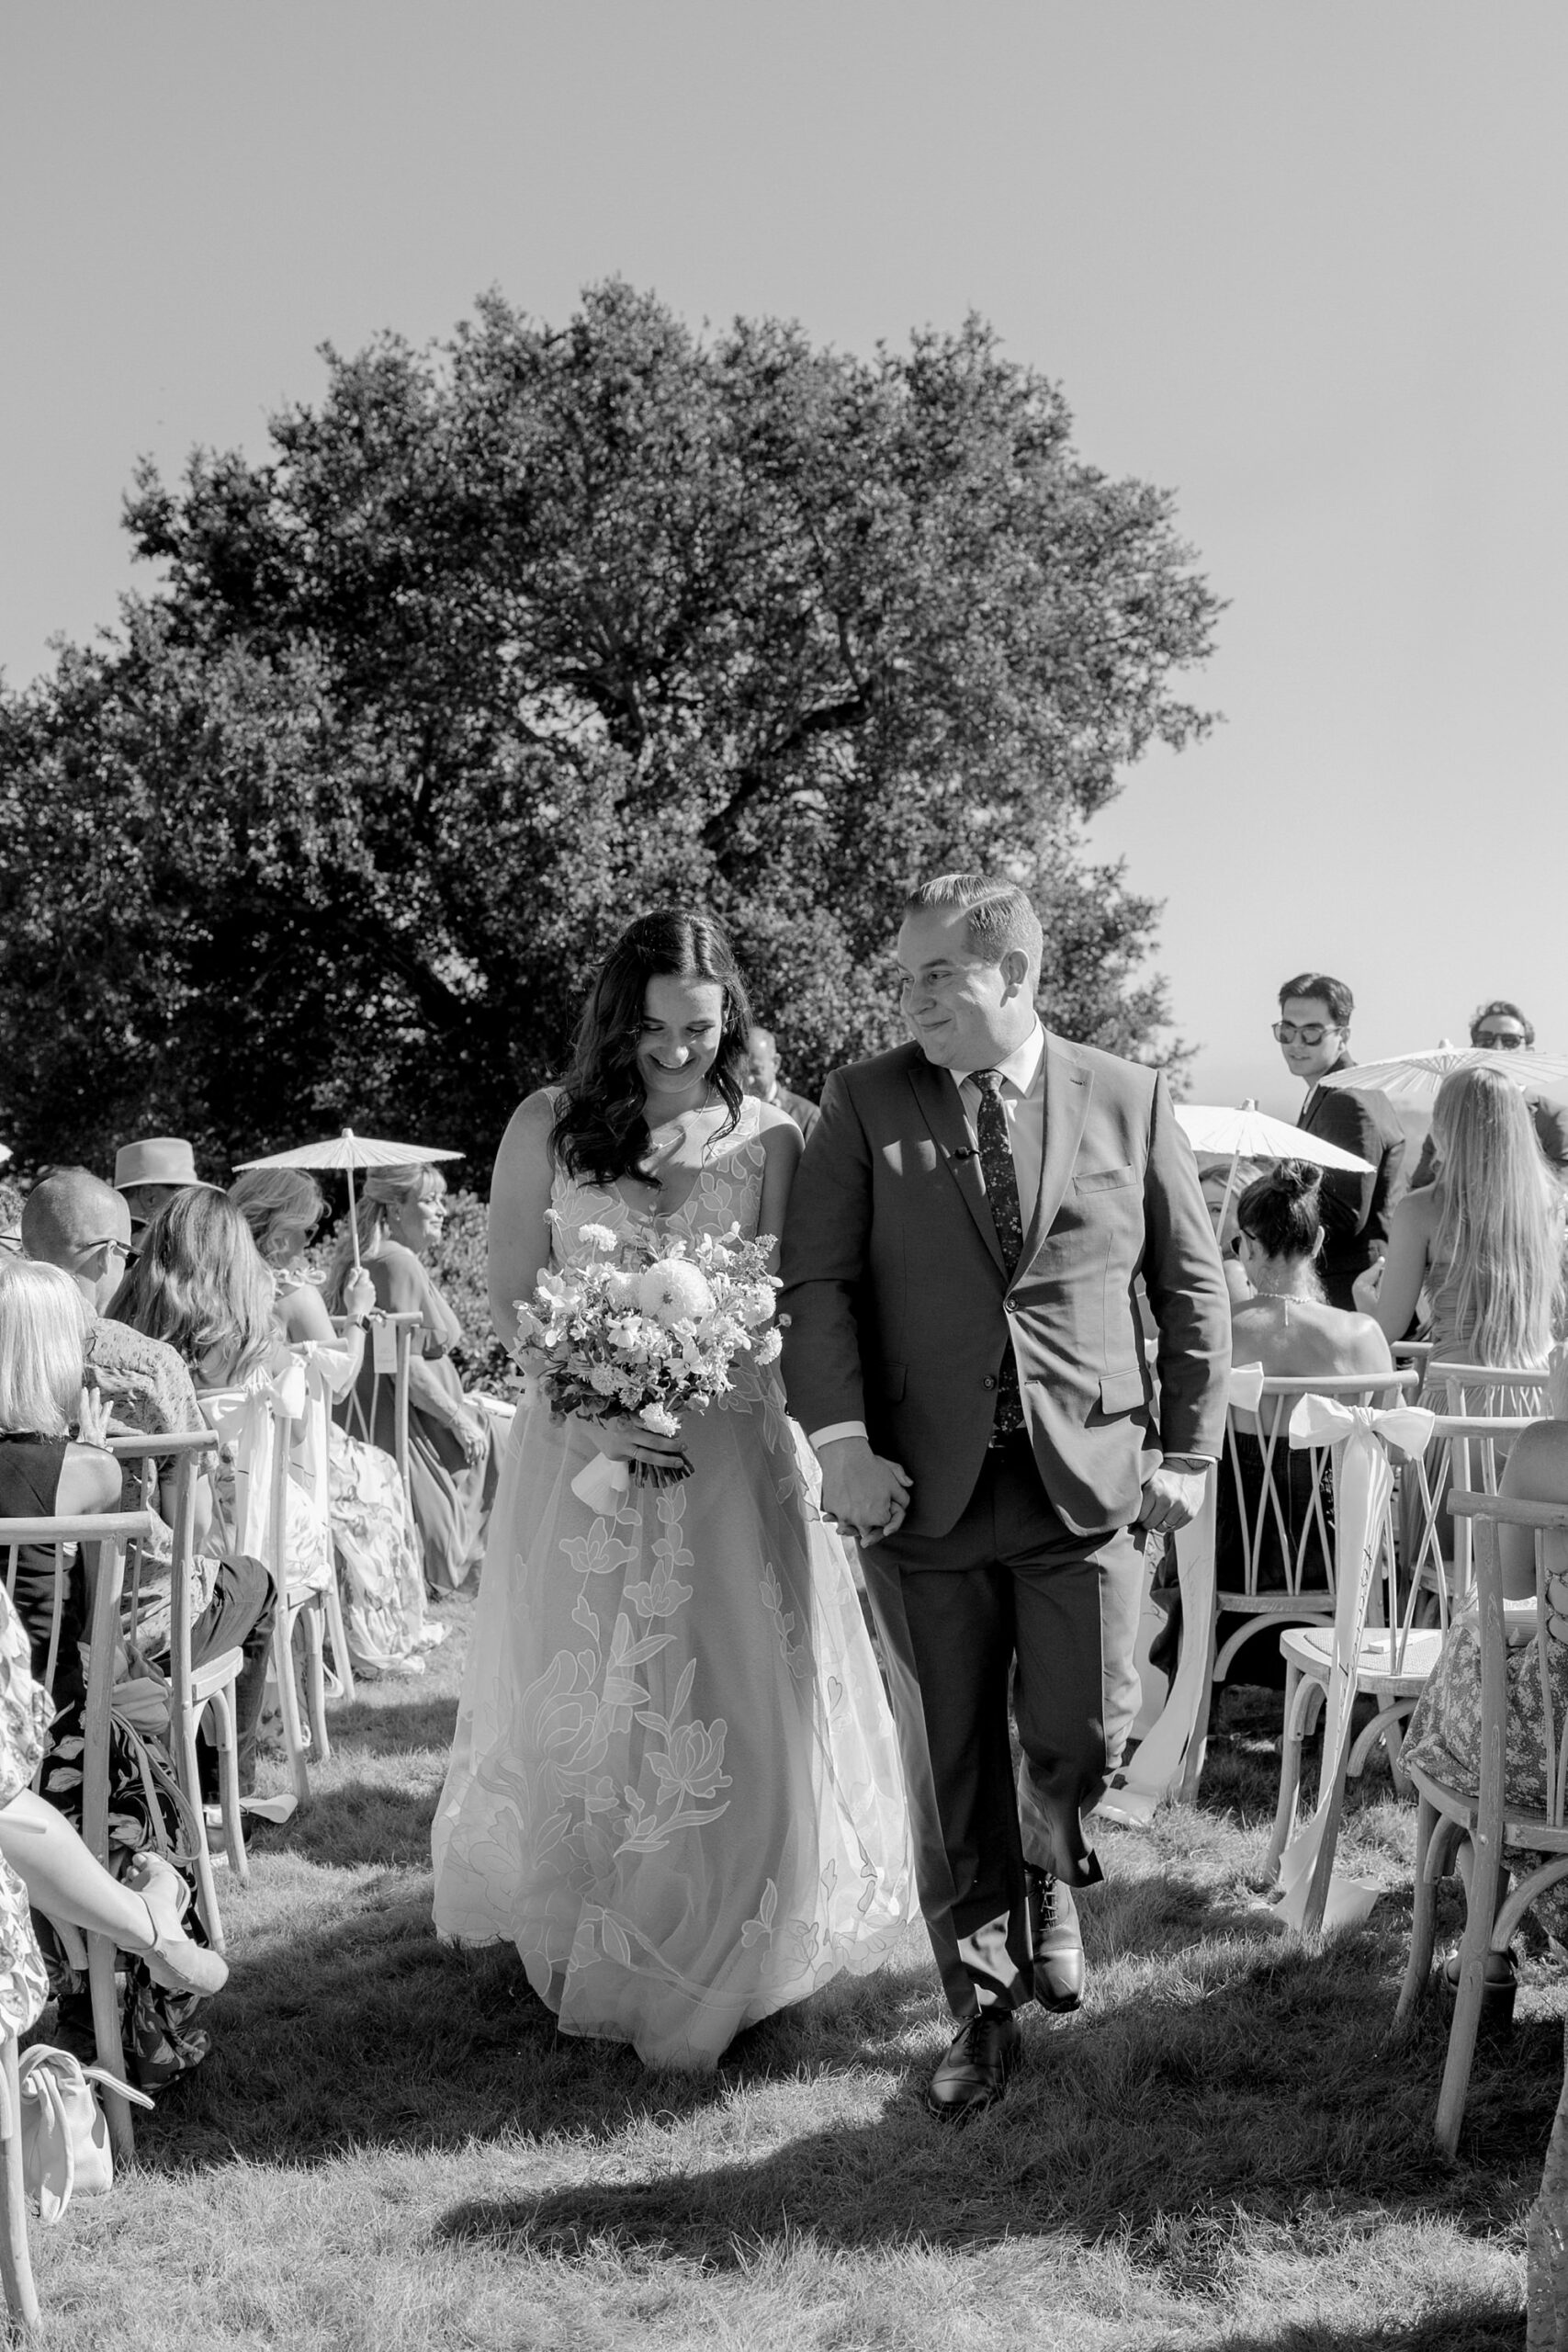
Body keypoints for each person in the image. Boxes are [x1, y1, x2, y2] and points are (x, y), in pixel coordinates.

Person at [780, 872, 1230, 2119]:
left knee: (1083, 1732)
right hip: (914, 1488)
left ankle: (1048, 1856)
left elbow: (1191, 1287)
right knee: (951, 1758)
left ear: (1015, 973)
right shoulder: (863, 1099)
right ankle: (980, 2010)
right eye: (905, 978)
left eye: (939, 974)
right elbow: (815, 1285)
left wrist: (1188, 1453)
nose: (912, 999)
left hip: (1086, 1478)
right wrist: (840, 1443)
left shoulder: (1129, 1096)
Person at [432, 909, 912, 2069]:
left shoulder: (772, 1135)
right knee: (597, 1698)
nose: (679, 1050)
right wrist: (598, 1398)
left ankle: (734, 1945)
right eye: (654, 1029)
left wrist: (710, 1387)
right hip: (582, 1460)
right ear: (619, 1020)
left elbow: (784, 1304)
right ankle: (604, 1923)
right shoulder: (546, 1125)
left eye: (700, 1027)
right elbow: (513, 1294)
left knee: (742, 1700)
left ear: (730, 1016)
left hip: (729, 1457)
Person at [0, 1255, 226, 2076]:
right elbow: (114, 1612)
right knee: (138, 1765)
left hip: (20, 1750)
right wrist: (97, 1456)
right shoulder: (87, 1473)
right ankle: (137, 2001)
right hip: (50, 1734)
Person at [109, 1191, 323, 1800]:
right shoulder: (252, 1344)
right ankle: (229, 1789)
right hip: (221, 1537)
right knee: (259, 1577)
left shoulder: (119, 1338)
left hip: (109, 1561)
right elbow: (294, 1438)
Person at [230, 1165, 436, 1674]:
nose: (311, 1240)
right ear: (280, 1234)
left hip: (246, 1447)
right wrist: (357, 1312)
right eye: (306, 1229)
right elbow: (340, 1379)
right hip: (302, 1450)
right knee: (383, 1472)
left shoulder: (228, 1288)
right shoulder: (292, 1294)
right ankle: (379, 1632)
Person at [1215, 1163, 1393, 1655]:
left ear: (1247, 1246)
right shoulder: (1362, 1335)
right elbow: (1394, 1457)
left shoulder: (1218, 1332)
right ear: (1317, 1243)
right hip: (1338, 1556)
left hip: (1232, 1556)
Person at [325, 1169, 498, 1593]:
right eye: (429, 1200)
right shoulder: (395, 1261)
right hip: (409, 1424)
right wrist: (458, 1420)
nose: (442, 1211)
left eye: (441, 1199)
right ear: (395, 1209)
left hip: (404, 1415)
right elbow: (405, 1364)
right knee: (505, 1436)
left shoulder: (383, 1258)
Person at [1354, 1064, 1562, 1383]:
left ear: (1443, 1128)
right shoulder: (1550, 1204)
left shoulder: (1420, 1209)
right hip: (1539, 1390)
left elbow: (1387, 1328)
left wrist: (1364, 1300)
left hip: (1460, 1392)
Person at [1274, 972, 1407, 1311]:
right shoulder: (1339, 1090)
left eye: (1312, 1033)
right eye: (1287, 1030)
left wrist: (1268, 1210)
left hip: (1349, 1291)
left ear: (1343, 1036)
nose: (1296, 1043)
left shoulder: (1345, 1100)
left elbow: (1344, 1216)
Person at [113, 1136, 222, 1245]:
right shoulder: (159, 1247)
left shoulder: (110, 1243)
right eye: (182, 1198)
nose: (192, 1205)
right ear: (150, 1197)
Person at [745, 1025, 820, 1140]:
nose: (748, 1080)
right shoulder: (727, 1113)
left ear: (776, 1063)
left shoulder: (807, 1116)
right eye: (742, 1072)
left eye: (756, 1071)